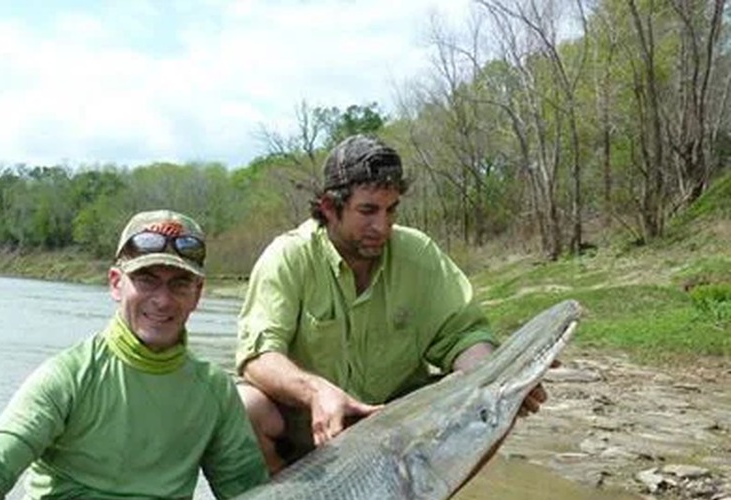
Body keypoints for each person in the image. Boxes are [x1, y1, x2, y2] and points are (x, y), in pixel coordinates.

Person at [0, 210, 269, 500]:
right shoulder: (69, 374)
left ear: (198, 294)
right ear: (115, 283)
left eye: (179, 284)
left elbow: (251, 498)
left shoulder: (215, 389)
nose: (163, 299)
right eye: (147, 279)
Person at [235, 134, 548, 473]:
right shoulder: (288, 256)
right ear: (329, 208)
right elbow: (258, 358)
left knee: (496, 401)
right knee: (245, 406)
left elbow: (464, 335)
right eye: (367, 211)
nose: (382, 226)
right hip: (310, 430)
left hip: (393, 434)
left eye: (391, 209)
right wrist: (316, 392)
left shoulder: (418, 254)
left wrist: (494, 379)